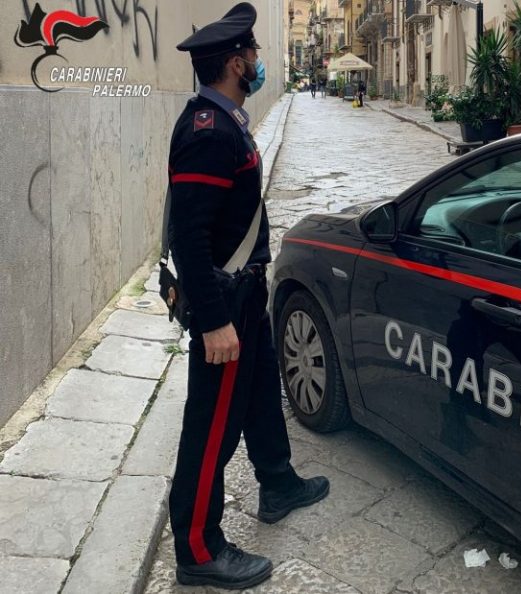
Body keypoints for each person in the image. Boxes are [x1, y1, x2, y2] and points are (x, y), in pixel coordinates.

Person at [169, 4, 329, 590]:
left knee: (261, 390)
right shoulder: (208, 132)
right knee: (211, 422)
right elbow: (188, 234)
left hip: (244, 288)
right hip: (222, 300)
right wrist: (213, 321)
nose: (259, 61)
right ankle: (197, 547)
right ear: (236, 62)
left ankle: (278, 480)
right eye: (255, 54)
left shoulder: (226, 118)